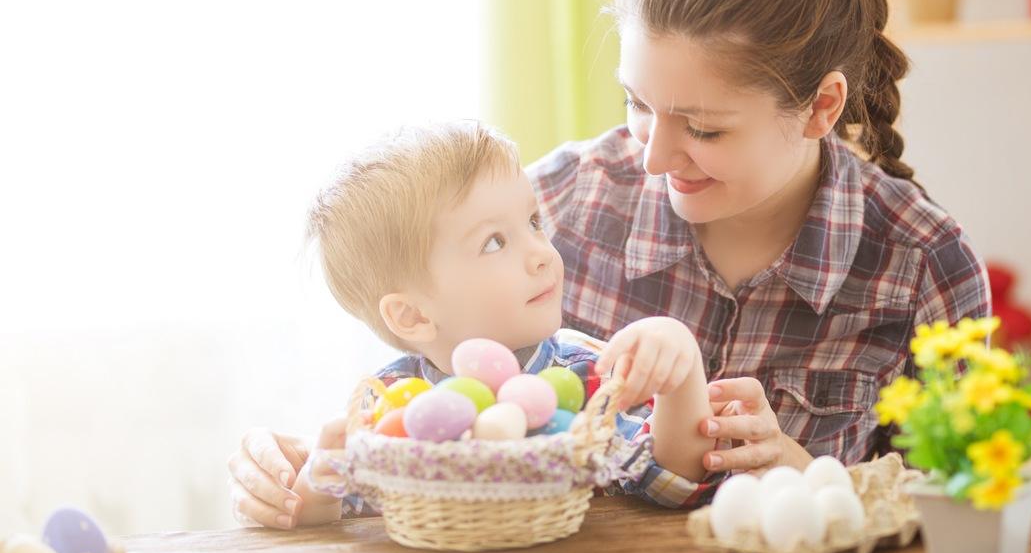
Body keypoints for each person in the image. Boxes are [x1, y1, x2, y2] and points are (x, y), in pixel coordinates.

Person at [229, 0, 989, 528]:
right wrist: (311, 474)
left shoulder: (921, 267)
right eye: (636, 103)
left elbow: (968, 521)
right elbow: (440, 417)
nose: (654, 157)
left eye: (704, 127)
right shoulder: (556, 203)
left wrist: (813, 476)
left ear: (822, 107)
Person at [283, 121, 719, 526]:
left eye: (533, 222)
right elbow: (333, 522)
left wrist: (681, 374)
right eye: (494, 242)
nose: (542, 252)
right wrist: (319, 489)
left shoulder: (585, 376)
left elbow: (673, 485)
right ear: (412, 316)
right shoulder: (391, 406)